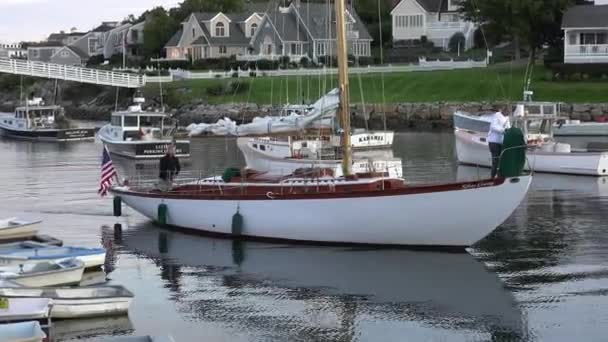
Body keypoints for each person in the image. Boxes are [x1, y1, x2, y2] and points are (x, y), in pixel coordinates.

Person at [487, 106, 511, 178]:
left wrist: (510, 131)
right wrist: (503, 130)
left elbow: (508, 127)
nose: (509, 113)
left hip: (501, 142)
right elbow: (493, 127)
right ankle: (492, 178)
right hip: (494, 142)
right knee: (496, 161)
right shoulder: (497, 115)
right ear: (504, 110)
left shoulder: (507, 118)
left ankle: (500, 177)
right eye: (508, 111)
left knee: (502, 162)